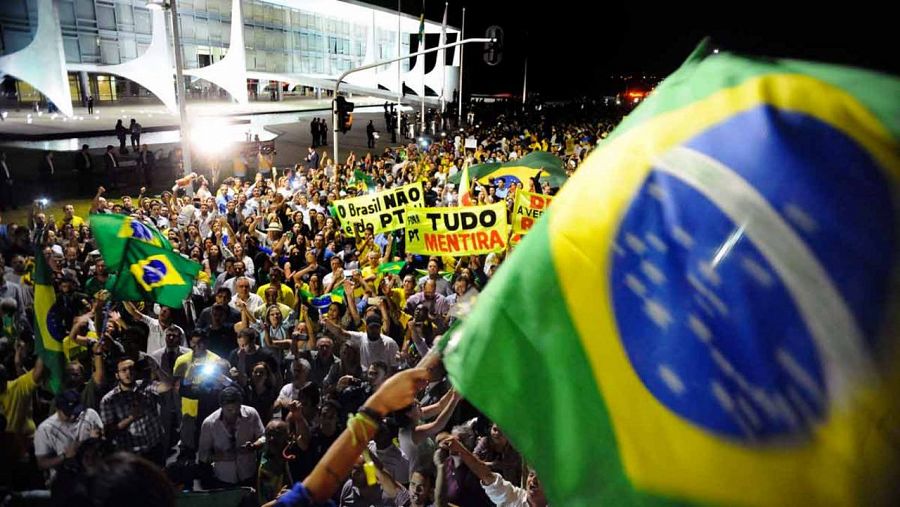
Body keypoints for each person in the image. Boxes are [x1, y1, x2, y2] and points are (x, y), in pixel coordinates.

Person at [99, 357, 172, 466]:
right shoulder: (109, 400)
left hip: (155, 447)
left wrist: (156, 368)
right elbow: (109, 433)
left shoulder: (145, 385)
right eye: (123, 370)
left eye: (131, 368)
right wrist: (131, 418)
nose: (128, 372)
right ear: (117, 375)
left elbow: (167, 386)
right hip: (132, 454)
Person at [198, 385, 265, 488]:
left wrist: (254, 446)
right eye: (229, 410)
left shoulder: (251, 414)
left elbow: (264, 437)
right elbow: (203, 455)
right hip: (224, 478)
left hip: (248, 473)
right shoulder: (209, 423)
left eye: (237, 409)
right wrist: (220, 456)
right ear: (221, 406)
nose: (234, 413)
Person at [34, 389, 104, 476]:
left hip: (92, 474)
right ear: (57, 410)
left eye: (76, 411)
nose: (73, 416)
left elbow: (103, 438)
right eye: (68, 413)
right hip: (64, 480)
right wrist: (64, 456)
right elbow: (41, 464)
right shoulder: (45, 429)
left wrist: (98, 438)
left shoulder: (90, 414)